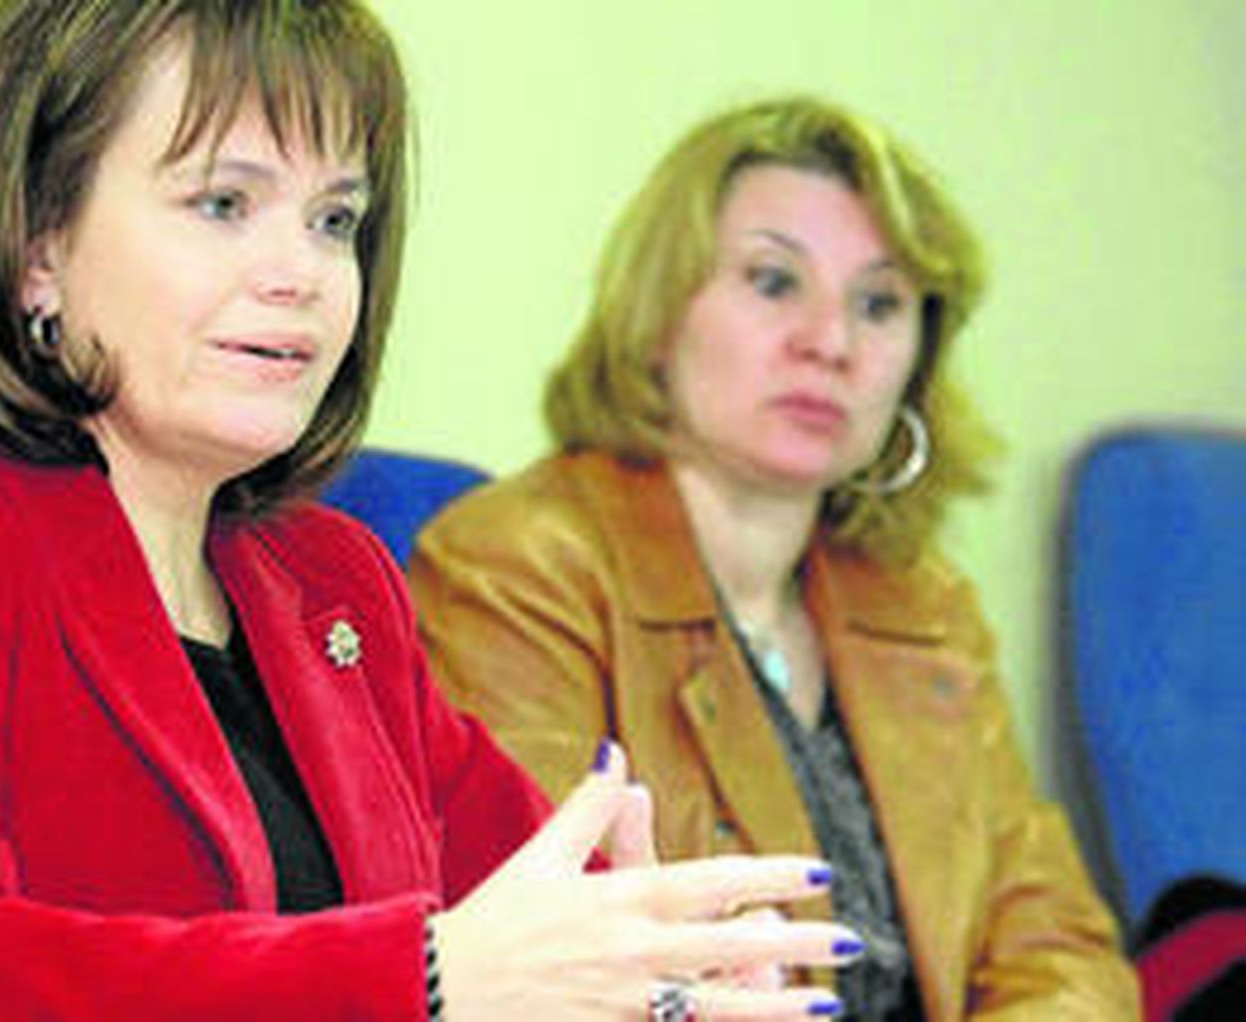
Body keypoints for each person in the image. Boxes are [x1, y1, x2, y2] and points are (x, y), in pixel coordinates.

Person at [0, 5, 868, 1020]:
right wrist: (418, 979)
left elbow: (540, 917)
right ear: (35, 248)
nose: (301, 274)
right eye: (223, 201)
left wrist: (674, 979)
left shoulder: (333, 577)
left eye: (333, 222)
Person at [410, 97, 1140, 1020]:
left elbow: (1062, 957)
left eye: (879, 304)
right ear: (660, 311)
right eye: (773, 281)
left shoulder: (925, 604)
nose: (830, 341)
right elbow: (573, 973)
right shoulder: (518, 567)